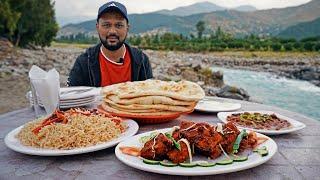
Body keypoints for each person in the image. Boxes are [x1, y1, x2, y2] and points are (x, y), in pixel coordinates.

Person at [68, 1, 153, 87]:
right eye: (106, 25)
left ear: (127, 28)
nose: (112, 31)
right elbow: (71, 96)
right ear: (97, 27)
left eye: (119, 25)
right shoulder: (84, 62)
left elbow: (150, 94)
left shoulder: (141, 60)